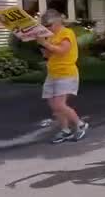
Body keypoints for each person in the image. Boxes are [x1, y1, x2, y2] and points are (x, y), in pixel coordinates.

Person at [37, 9, 88, 144]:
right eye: (44, 26)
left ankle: (80, 124)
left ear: (58, 22)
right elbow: (48, 55)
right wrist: (43, 47)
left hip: (66, 73)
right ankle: (65, 130)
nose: (47, 28)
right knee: (53, 105)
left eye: (49, 25)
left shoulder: (66, 33)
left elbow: (62, 50)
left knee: (59, 104)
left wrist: (45, 44)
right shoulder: (50, 36)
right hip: (53, 73)